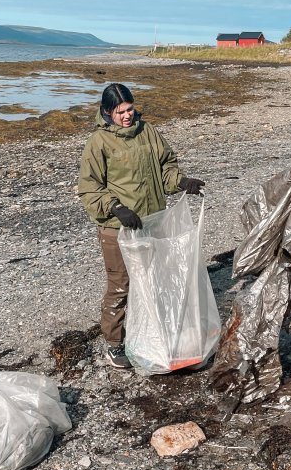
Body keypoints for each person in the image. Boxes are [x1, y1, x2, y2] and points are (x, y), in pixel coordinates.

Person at [78, 83, 205, 369]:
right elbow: (89, 189)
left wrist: (181, 182)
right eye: (120, 111)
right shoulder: (99, 142)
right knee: (121, 285)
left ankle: (151, 335)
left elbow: (166, 167)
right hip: (118, 229)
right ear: (107, 112)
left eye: (130, 109)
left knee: (155, 280)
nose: (127, 115)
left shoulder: (147, 131)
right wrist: (116, 208)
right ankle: (114, 344)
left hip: (152, 221)